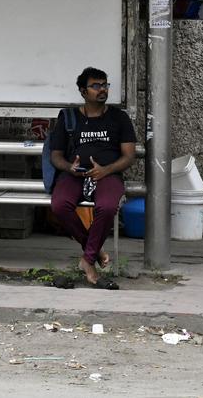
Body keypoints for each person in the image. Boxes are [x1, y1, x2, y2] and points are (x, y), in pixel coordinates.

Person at [49, 67, 137, 289]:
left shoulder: (119, 118)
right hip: (76, 175)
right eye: (96, 86)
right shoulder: (68, 117)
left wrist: (106, 170)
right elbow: (55, 156)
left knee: (107, 207)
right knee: (60, 205)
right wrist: (69, 168)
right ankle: (94, 250)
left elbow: (129, 156)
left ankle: (87, 261)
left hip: (107, 175)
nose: (102, 90)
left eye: (105, 85)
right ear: (82, 91)